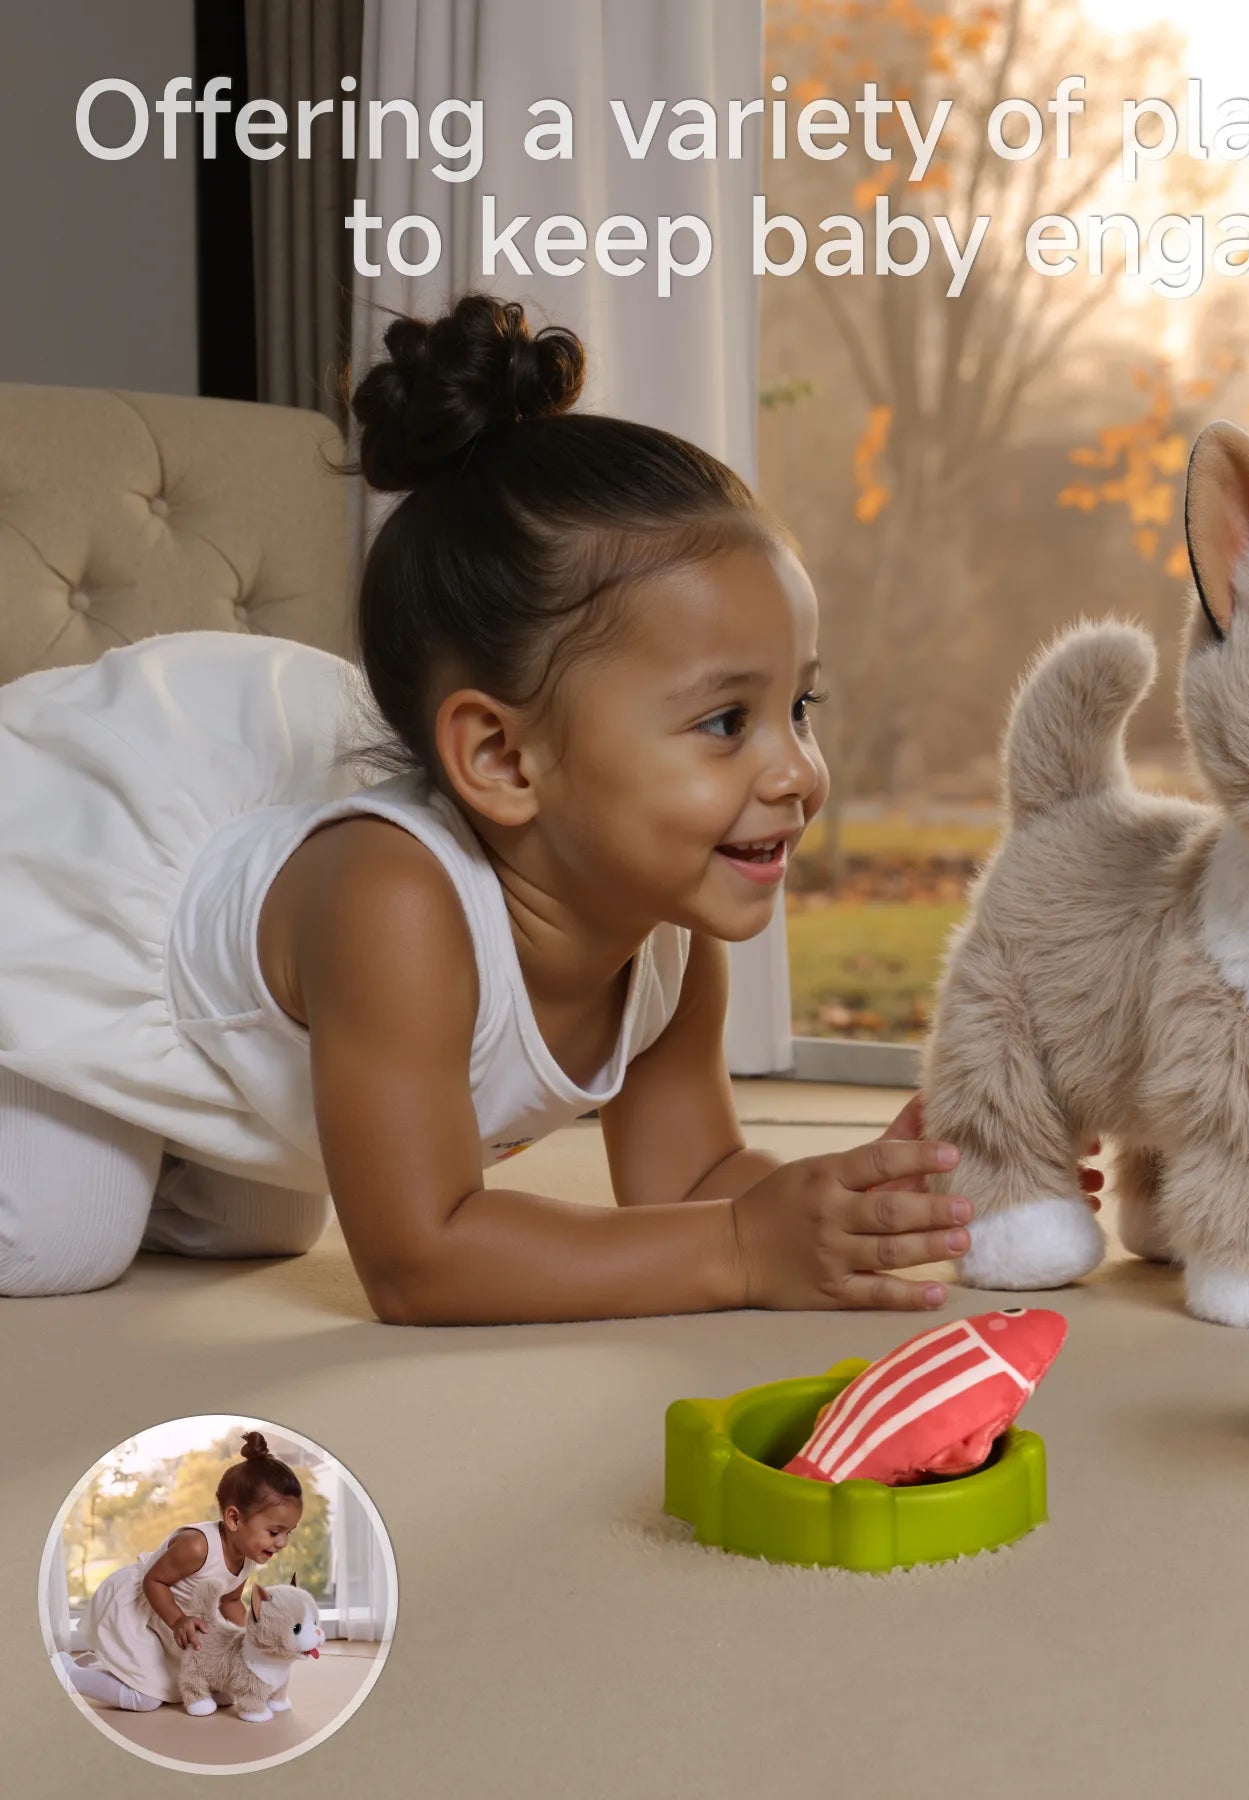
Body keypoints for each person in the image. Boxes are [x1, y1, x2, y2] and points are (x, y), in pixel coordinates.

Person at [1, 295, 1102, 1320]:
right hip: (76, 926)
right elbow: (419, 1257)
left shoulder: (666, 940)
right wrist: (741, 1253)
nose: (797, 772)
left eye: (799, 707)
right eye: (726, 722)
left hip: (240, 1068)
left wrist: (852, 1202)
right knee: (66, 1239)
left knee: (263, 1226)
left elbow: (694, 1183)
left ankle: (154, 1141)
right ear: (502, 759)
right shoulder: (393, 899)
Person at [56, 1432, 303, 1712]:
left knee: (214, 1686)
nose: (281, 1543)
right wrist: (177, 1621)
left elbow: (230, 1601)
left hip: (177, 1620)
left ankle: (102, 1667)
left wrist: (251, 1637)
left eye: (288, 1533)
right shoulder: (197, 1546)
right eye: (274, 1532)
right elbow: (154, 1581)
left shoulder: (248, 1557)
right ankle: (66, 1675)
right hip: (142, 1608)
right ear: (234, 1519)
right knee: (147, 1698)